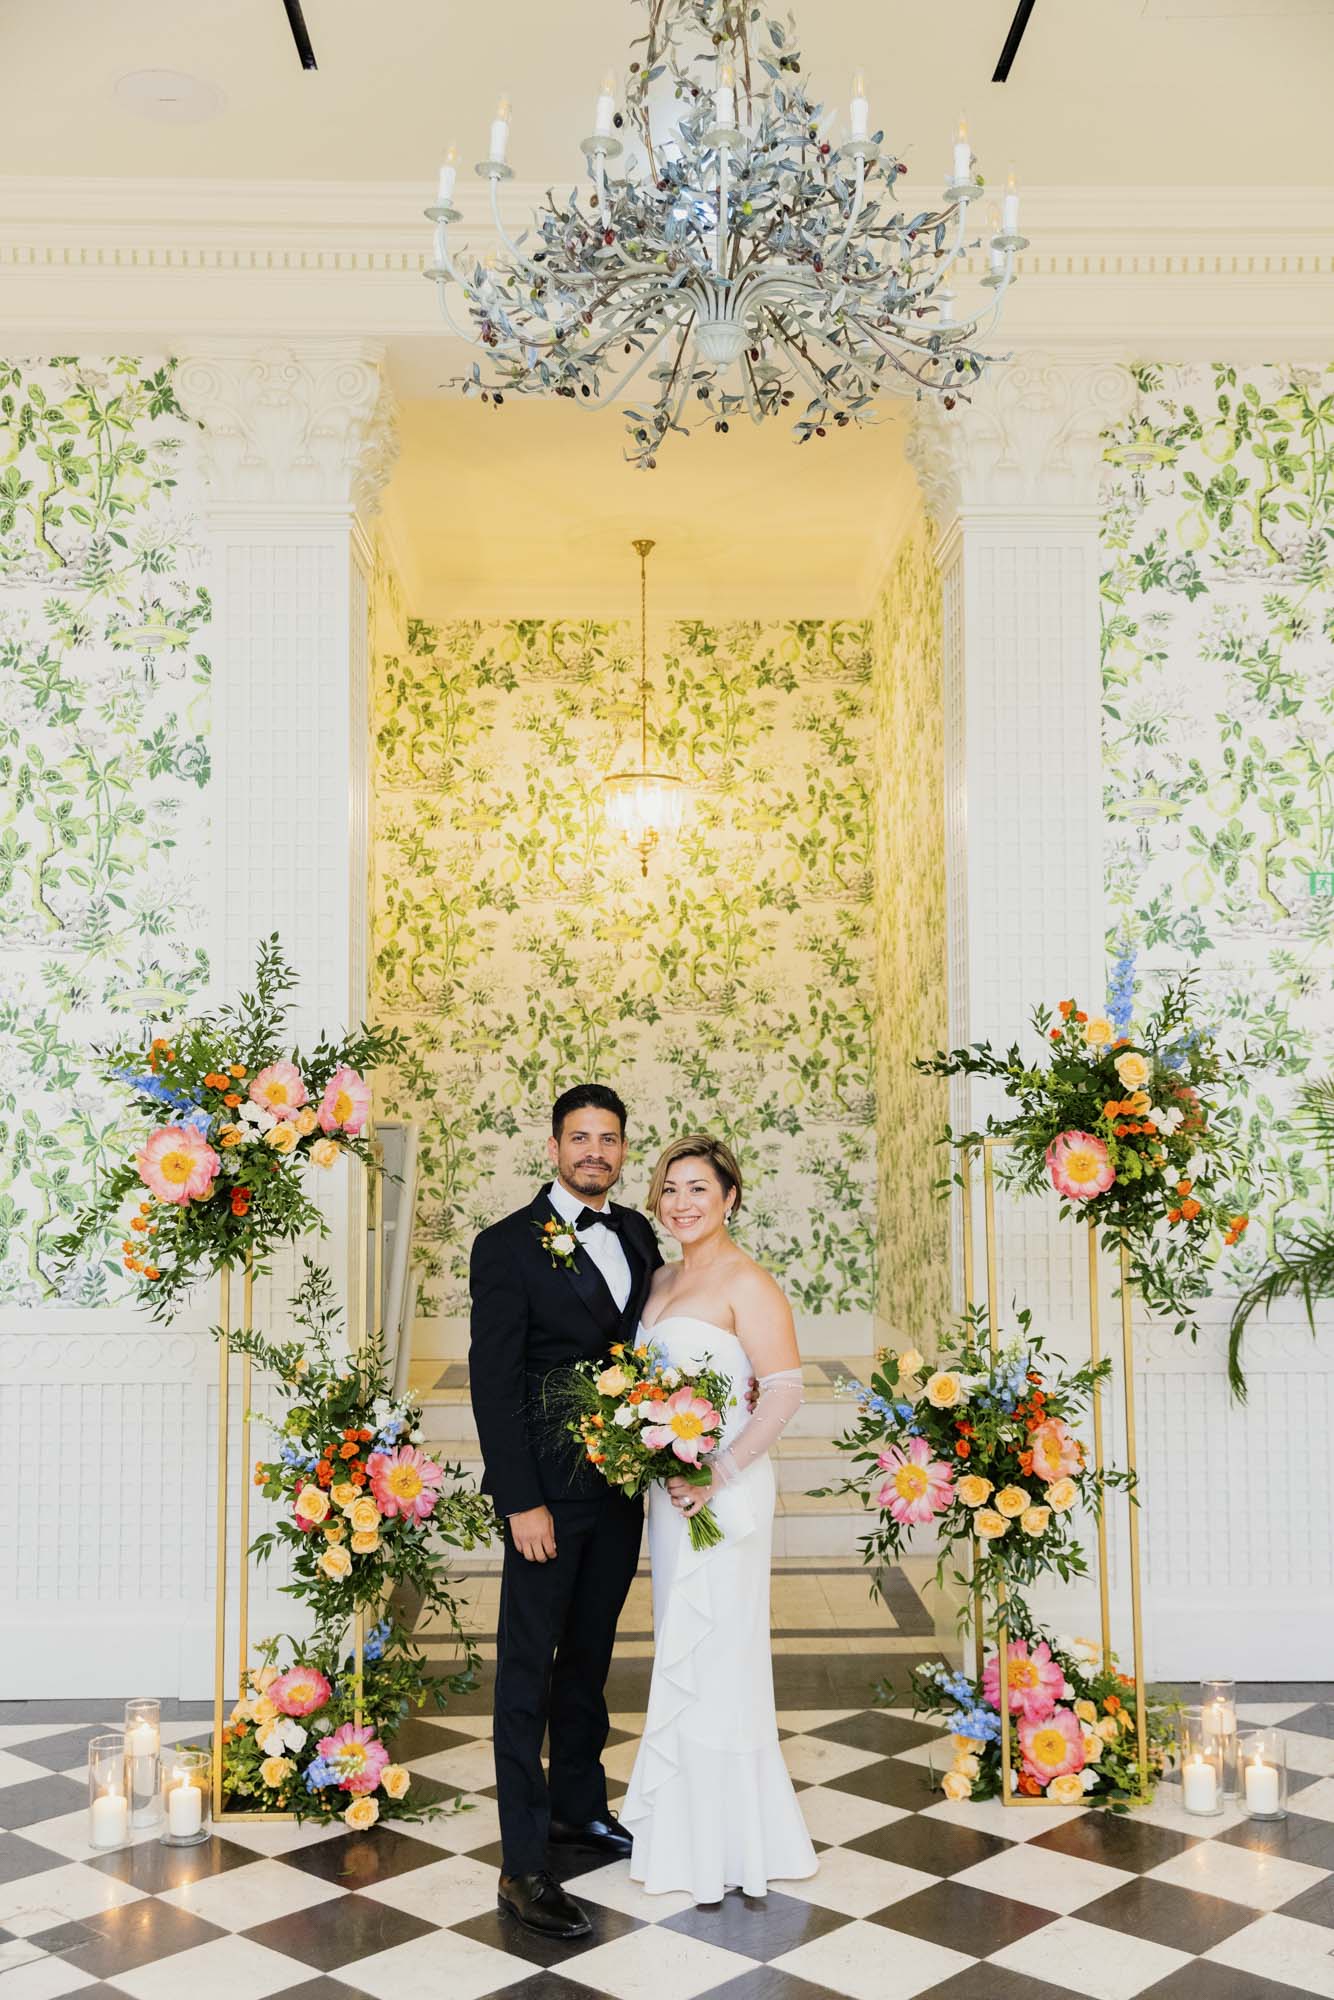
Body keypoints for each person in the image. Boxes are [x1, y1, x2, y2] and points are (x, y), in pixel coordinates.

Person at [469, 1084, 662, 1940]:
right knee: (525, 1672)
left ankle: (578, 1810)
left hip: (619, 1491)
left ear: (623, 1150)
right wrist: (521, 1502)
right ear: (553, 1147)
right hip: (546, 1496)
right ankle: (523, 1864)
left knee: (589, 1657)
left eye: (609, 1139)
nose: (595, 1151)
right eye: (579, 1137)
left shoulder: (637, 1233)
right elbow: (493, 1382)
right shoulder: (506, 1246)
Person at [620, 1133, 817, 1902]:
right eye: (670, 1188)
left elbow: (786, 1391)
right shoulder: (661, 1275)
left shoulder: (749, 1282)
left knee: (722, 1650)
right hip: (671, 1494)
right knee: (680, 1641)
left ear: (730, 1197)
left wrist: (717, 1470)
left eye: (698, 1188)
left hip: (724, 1492)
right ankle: (682, 1830)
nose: (681, 1203)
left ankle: (733, 1846)